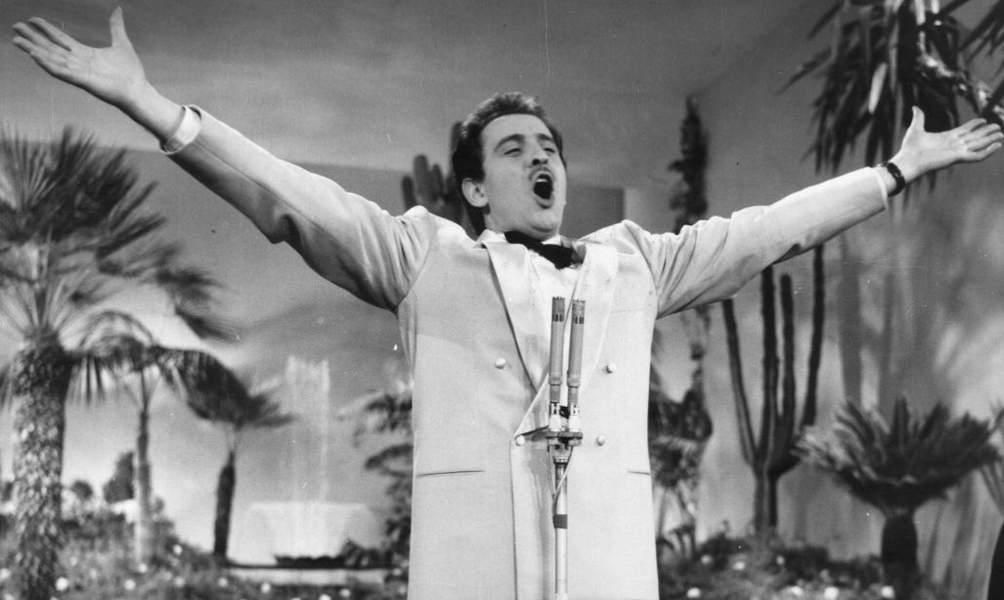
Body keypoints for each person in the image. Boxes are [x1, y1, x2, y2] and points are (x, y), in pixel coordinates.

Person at [12, 9, 1004, 600]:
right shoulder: (423, 256)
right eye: (514, 148)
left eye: (550, 147)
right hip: (475, 574)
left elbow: (768, 230)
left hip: (607, 578)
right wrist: (150, 106)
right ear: (475, 189)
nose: (543, 159)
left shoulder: (636, 262)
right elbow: (289, 197)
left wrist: (894, 171)